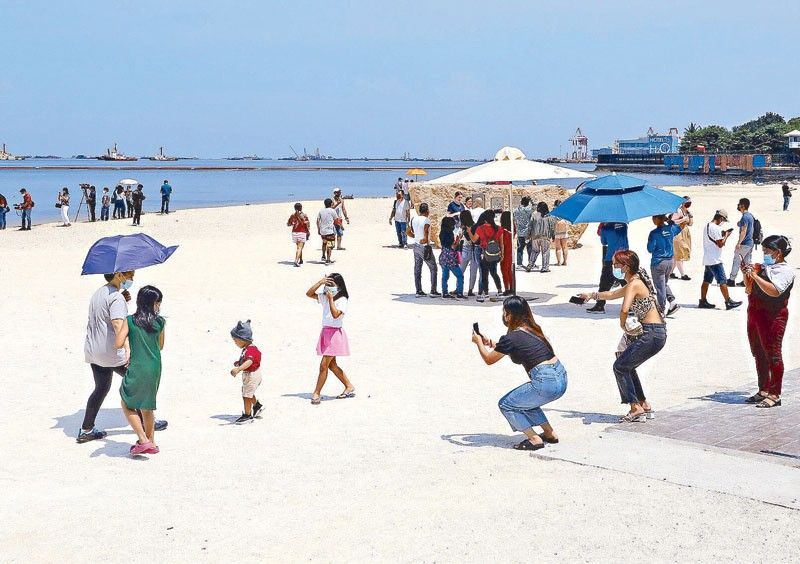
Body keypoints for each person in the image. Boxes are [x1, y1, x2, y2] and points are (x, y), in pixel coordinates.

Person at [79, 271, 167, 443]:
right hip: (113, 354)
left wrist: (121, 299)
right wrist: (128, 350)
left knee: (101, 388)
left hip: (94, 350)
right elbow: (119, 325)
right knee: (139, 382)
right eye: (130, 275)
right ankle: (147, 423)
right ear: (119, 275)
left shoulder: (100, 293)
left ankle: (86, 429)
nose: (132, 279)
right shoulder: (116, 298)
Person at [580, 250, 666, 422]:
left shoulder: (634, 284)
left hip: (650, 333)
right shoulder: (635, 282)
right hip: (656, 333)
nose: (613, 268)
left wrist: (622, 324)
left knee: (620, 366)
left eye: (616, 265)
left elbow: (625, 308)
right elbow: (612, 294)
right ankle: (643, 404)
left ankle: (635, 408)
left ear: (626, 267)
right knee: (627, 365)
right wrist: (591, 295)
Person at [472, 296, 566, 451]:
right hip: (561, 378)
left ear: (509, 315)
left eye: (505, 312)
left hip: (545, 382)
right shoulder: (534, 329)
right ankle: (549, 433)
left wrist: (479, 343)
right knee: (526, 402)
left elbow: (489, 359)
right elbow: (521, 348)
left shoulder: (511, 337)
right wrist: (492, 343)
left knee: (507, 404)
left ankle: (534, 439)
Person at [742, 235, 794, 408]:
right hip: (755, 313)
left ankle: (775, 393)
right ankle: (763, 389)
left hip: (773, 316)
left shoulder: (785, 271)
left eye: (767, 251)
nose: (764, 253)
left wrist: (756, 277)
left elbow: (775, 291)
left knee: (773, 353)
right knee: (758, 352)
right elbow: (749, 290)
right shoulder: (763, 267)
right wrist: (747, 275)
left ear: (778, 253)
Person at [118, 286, 166, 455]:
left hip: (137, 366)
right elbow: (160, 346)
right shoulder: (160, 322)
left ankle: (143, 439)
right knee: (147, 405)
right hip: (154, 367)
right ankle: (151, 442)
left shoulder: (130, 320)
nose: (158, 306)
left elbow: (118, 342)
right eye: (158, 303)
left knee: (126, 402)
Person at [305, 274, 355, 405]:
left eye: (331, 285)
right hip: (326, 332)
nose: (328, 287)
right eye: (327, 284)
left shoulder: (342, 299)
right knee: (332, 365)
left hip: (335, 336)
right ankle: (349, 386)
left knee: (323, 366)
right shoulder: (325, 297)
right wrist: (320, 282)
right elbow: (309, 293)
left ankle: (316, 393)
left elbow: (335, 314)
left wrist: (331, 299)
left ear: (338, 286)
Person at [699, 210, 742, 310]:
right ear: (721, 218)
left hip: (708, 258)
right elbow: (720, 244)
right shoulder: (716, 228)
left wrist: (723, 234)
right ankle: (728, 302)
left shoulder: (708, 225)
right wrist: (726, 235)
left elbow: (714, 238)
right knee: (722, 281)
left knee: (706, 281)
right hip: (715, 260)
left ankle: (703, 301)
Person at [587, 222, 629, 314]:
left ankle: (600, 305)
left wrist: (603, 228)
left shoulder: (605, 228)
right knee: (627, 283)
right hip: (625, 258)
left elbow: (604, 242)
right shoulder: (624, 225)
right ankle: (631, 306)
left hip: (611, 258)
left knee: (604, 283)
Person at [230, 319, 264, 424]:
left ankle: (247, 415)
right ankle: (257, 406)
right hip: (250, 374)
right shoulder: (248, 349)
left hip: (252, 375)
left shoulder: (251, 350)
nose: (235, 342)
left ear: (243, 339)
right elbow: (246, 360)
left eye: (235, 340)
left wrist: (239, 369)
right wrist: (239, 363)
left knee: (246, 395)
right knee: (248, 392)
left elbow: (249, 361)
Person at [646, 214, 681, 315]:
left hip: (658, 262)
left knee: (660, 287)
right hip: (670, 261)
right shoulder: (670, 229)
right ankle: (672, 301)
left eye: (654, 217)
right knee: (663, 284)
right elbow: (678, 228)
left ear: (657, 219)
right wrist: (669, 221)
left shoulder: (654, 233)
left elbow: (650, 249)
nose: (652, 219)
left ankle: (660, 310)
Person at [410, 203, 439, 297]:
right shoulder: (427, 220)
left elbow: (407, 231)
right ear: (427, 211)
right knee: (433, 267)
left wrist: (415, 237)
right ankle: (433, 290)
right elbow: (426, 229)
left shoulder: (414, 219)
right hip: (425, 246)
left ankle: (418, 290)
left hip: (416, 245)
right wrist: (426, 239)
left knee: (417, 268)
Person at [474, 210, 503, 302]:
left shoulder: (480, 228)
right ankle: (500, 290)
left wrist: (469, 232)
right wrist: (502, 254)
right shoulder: (499, 228)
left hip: (485, 254)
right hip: (495, 254)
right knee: (494, 273)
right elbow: (501, 243)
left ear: (485, 219)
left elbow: (474, 240)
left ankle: (486, 293)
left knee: (484, 274)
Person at [727, 198, 754, 287]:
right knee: (747, 263)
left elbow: (743, 230)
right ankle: (746, 281)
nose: (738, 206)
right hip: (750, 242)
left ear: (742, 205)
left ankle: (731, 280)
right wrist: (740, 223)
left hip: (745, 243)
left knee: (736, 261)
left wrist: (739, 243)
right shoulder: (750, 216)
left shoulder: (745, 217)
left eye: (739, 204)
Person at [439, 216, 465, 299]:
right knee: (460, 275)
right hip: (451, 257)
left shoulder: (441, 233)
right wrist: (458, 239)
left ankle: (445, 292)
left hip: (443, 256)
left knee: (445, 276)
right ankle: (459, 292)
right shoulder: (450, 234)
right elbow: (453, 247)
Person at [528, 202, 557, 273]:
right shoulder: (550, 216)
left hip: (535, 236)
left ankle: (530, 265)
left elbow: (530, 226)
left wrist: (528, 235)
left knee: (534, 251)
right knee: (545, 252)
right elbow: (552, 227)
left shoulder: (534, 215)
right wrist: (553, 236)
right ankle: (545, 268)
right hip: (545, 237)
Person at [670, 197, 693, 280]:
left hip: (684, 233)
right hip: (677, 233)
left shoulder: (686, 211)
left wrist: (690, 216)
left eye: (690, 202)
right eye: (687, 202)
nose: (689, 204)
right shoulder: (678, 211)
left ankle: (670, 273)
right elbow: (672, 221)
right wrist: (683, 219)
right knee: (679, 253)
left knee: (678, 254)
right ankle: (683, 274)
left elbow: (690, 224)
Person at [459, 210, 481, 297]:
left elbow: (462, 238)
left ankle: (459, 288)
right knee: (473, 271)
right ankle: (470, 290)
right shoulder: (475, 225)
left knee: (461, 271)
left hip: (465, 249)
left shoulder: (463, 227)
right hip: (474, 249)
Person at [513, 197, 533, 269]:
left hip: (519, 232)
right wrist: (532, 200)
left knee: (520, 248)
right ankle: (531, 263)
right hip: (527, 232)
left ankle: (519, 264)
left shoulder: (516, 210)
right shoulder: (528, 210)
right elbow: (535, 207)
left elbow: (514, 219)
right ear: (528, 203)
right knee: (529, 248)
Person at [317, 198, 337, 264]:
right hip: (330, 231)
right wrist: (341, 226)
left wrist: (318, 229)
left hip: (322, 231)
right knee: (330, 245)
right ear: (331, 203)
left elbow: (317, 221)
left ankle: (323, 255)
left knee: (324, 243)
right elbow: (336, 220)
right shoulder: (332, 211)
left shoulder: (321, 211)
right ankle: (328, 260)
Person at [499, 211, 514, 295]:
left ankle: (507, 288)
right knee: (509, 270)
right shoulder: (512, 229)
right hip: (511, 250)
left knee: (504, 270)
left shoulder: (502, 230)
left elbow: (502, 244)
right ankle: (511, 286)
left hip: (504, 251)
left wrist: (502, 254)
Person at [553, 200, 570, 266]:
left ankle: (559, 262)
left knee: (558, 248)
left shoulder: (554, 211)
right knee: (565, 247)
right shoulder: (564, 210)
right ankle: (565, 262)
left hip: (557, 232)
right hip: (564, 232)